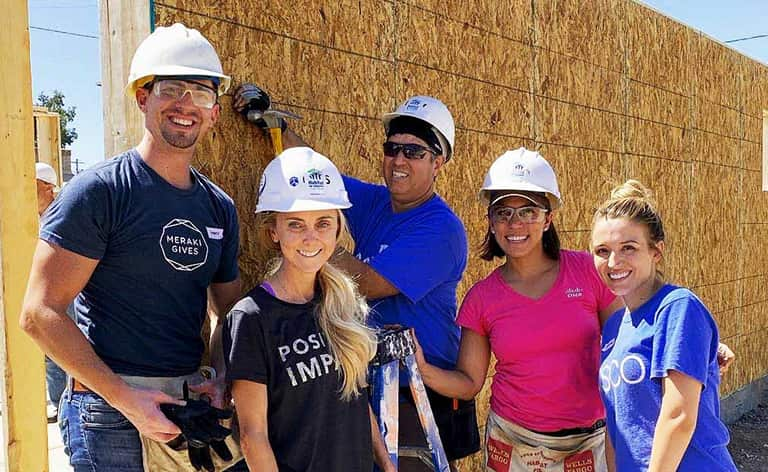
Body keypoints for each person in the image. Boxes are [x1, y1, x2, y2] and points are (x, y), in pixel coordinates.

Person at [21, 23, 247, 471]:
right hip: (109, 413)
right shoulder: (100, 192)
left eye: (200, 93)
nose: (186, 105)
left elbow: (228, 308)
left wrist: (221, 375)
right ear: (143, 97)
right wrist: (126, 400)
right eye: (171, 89)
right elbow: (39, 314)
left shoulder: (218, 207)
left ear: (215, 112)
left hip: (182, 405)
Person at [234, 87, 480, 470]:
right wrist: (277, 128)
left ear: (439, 161)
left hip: (421, 399)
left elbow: (366, 283)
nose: (399, 159)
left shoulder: (441, 229)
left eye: (414, 151)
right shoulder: (376, 202)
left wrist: (307, 240)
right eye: (392, 148)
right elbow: (319, 182)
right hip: (368, 389)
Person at [414, 148, 622, 472]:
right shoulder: (483, 298)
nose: (515, 223)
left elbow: (627, 339)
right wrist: (422, 369)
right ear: (491, 222)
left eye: (528, 211)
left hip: (585, 444)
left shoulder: (587, 271)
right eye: (503, 212)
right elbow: (469, 382)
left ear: (548, 218)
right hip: (513, 445)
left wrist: (696, 350)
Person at [225, 147, 394, 471]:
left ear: (337, 229)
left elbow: (355, 400)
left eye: (323, 223)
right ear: (274, 230)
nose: (311, 238)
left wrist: (385, 463)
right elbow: (253, 435)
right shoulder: (252, 318)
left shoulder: (343, 302)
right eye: (295, 225)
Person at [591, 180, 738, 472]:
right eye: (602, 250)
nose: (613, 261)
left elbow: (679, 417)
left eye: (628, 248)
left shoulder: (678, 307)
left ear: (656, 251)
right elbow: (616, 424)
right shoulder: (614, 327)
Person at [35, 162, 69, 422]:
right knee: (48, 352)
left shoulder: (62, 214)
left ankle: (63, 403)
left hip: (66, 290)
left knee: (63, 348)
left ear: (47, 188)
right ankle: (58, 400)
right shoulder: (24, 218)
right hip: (38, 290)